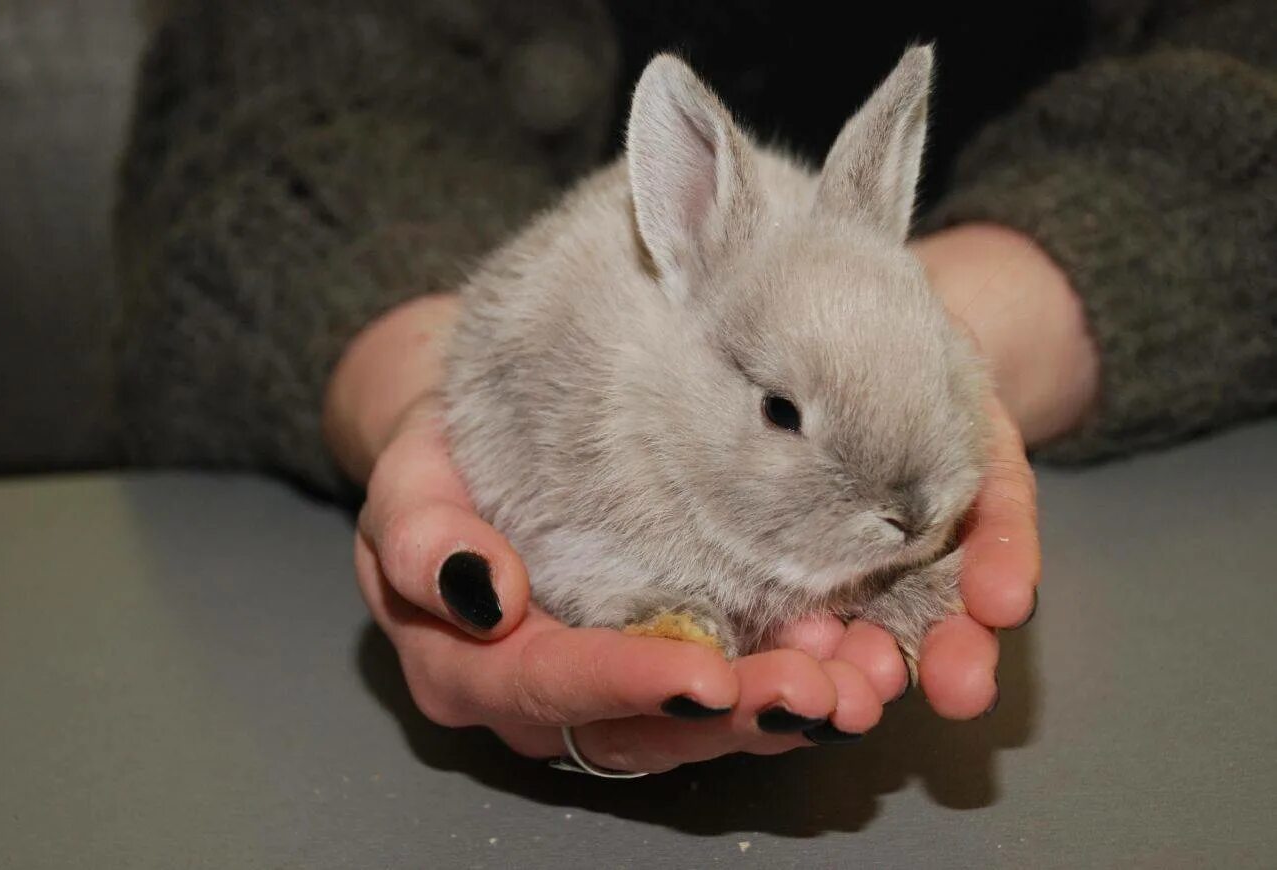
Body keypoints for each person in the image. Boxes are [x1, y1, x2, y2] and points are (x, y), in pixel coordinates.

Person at [113, 0, 1275, 773]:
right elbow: (296, 82)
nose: (909, 508)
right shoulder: (593, 394)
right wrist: (390, 363)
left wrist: (977, 329)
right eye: (779, 413)